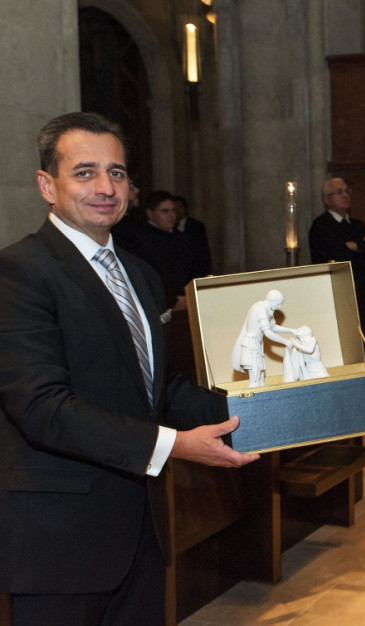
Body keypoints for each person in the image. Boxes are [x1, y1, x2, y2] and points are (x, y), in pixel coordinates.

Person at [0, 112, 258, 626]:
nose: (105, 187)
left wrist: (266, 408)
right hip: (60, 542)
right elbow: (43, 408)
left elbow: (159, 389)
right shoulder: (19, 272)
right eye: (85, 172)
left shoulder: (140, 273)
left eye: (116, 172)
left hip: (143, 532)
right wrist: (174, 445)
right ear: (47, 185)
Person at [309, 177, 365, 358]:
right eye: (339, 192)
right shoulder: (321, 225)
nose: (345, 195)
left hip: (362, 292)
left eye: (347, 191)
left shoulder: (358, 225)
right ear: (326, 200)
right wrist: (362, 247)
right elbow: (336, 255)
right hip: (336, 294)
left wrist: (355, 245)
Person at [231, 289, 294, 388]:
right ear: (271, 301)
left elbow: (273, 326)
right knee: (255, 381)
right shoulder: (261, 310)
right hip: (252, 346)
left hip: (257, 345)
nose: (279, 307)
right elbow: (268, 332)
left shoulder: (267, 309)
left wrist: (291, 331)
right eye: (278, 304)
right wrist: (285, 341)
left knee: (261, 380)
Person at [174, 194, 213, 278]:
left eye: (180, 207)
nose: (178, 211)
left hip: (195, 268)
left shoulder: (195, 225)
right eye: (175, 208)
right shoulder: (170, 227)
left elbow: (203, 250)